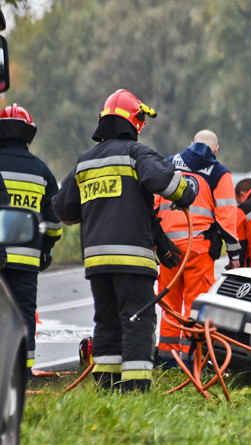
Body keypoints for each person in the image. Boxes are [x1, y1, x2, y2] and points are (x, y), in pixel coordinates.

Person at [53, 89, 196, 393]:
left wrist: (159, 240)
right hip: (132, 260)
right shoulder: (136, 153)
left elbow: (63, 210)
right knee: (137, 321)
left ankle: (106, 388)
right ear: (134, 122)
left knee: (107, 322)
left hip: (97, 262)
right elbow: (168, 184)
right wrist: (188, 190)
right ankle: (134, 393)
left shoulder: (84, 163)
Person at [155, 130, 240, 368]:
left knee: (169, 304)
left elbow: (153, 203)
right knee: (197, 306)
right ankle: (193, 361)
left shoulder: (169, 164)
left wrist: (154, 241)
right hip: (199, 249)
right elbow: (227, 218)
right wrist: (234, 256)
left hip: (168, 249)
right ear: (216, 149)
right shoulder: (219, 173)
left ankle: (167, 359)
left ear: (191, 144)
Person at [0, 104, 62, 373]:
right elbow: (54, 223)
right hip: (27, 261)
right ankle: (22, 374)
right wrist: (45, 251)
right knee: (24, 315)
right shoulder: (42, 171)